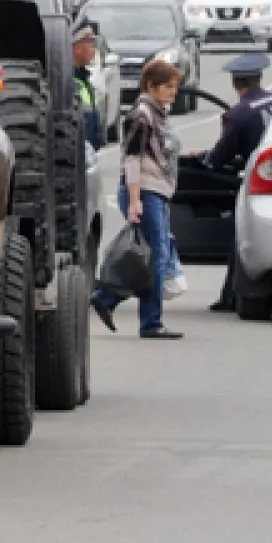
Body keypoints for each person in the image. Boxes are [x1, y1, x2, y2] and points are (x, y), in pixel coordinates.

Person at [90, 57, 183, 340]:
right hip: (145, 191)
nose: (173, 92)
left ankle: (107, 299)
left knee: (148, 255)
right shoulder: (141, 115)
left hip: (156, 190)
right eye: (168, 86)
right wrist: (134, 199)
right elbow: (132, 159)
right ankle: (150, 322)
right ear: (152, 86)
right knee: (155, 257)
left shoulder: (156, 113)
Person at [201, 53, 272, 312]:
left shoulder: (238, 115)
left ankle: (231, 295)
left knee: (241, 237)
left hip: (256, 181)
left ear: (236, 85)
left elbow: (219, 157)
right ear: (259, 79)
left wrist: (204, 158)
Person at [71, 19, 104, 149]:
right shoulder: (69, 84)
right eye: (91, 44)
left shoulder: (83, 79)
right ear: (76, 47)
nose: (94, 50)